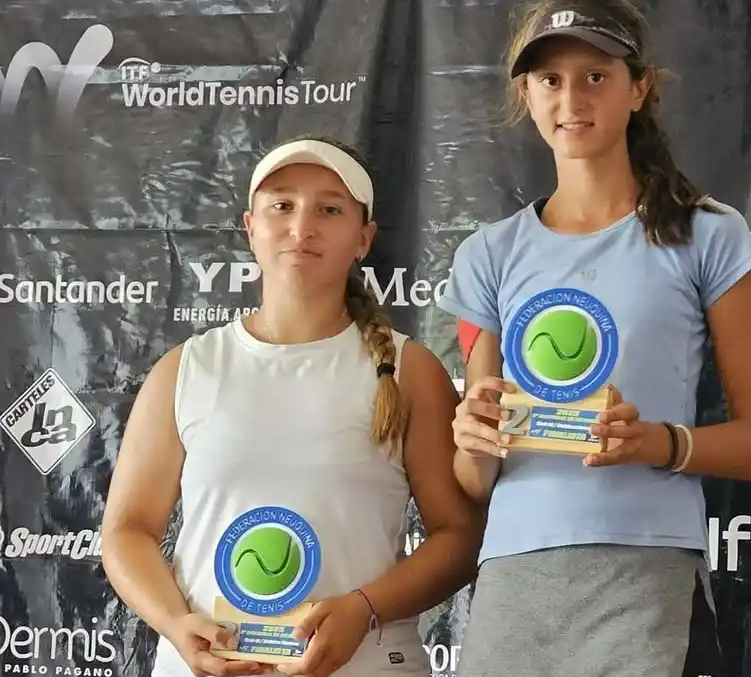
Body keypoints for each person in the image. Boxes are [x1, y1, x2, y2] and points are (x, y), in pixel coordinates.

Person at [438, 0, 751, 676]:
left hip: (647, 569)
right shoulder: (487, 255)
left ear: (639, 87)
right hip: (513, 576)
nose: (571, 99)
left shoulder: (707, 234)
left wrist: (654, 442)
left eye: (595, 75)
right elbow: (474, 477)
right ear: (526, 94)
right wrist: (472, 439)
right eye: (550, 79)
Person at [101, 134, 485, 677]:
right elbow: (127, 531)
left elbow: (459, 536)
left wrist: (365, 609)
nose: (302, 226)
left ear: (364, 238)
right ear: (250, 227)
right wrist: (175, 622)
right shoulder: (186, 368)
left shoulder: (410, 370)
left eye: (330, 210)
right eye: (281, 205)